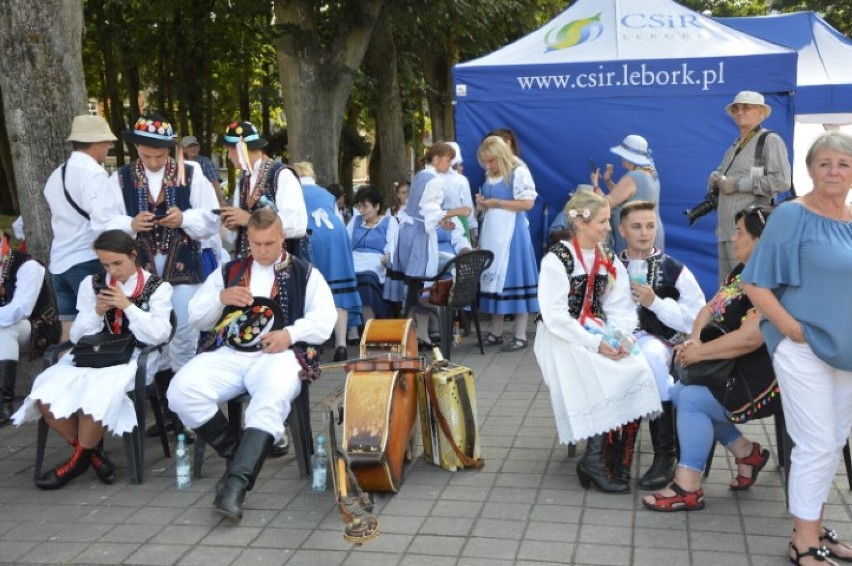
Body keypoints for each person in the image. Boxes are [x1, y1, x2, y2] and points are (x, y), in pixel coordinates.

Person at [167, 208, 336, 522]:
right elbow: (195, 316)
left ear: (282, 237)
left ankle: (236, 486)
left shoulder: (304, 272)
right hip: (230, 353)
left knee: (272, 396)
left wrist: (290, 334)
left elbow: (325, 319)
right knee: (180, 391)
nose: (262, 250)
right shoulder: (229, 271)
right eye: (256, 244)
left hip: (278, 355)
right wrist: (220, 296)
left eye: (269, 243)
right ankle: (238, 457)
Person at [741, 131, 852, 565]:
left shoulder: (849, 220)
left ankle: (814, 528)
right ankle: (803, 543)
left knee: (833, 439)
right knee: (818, 442)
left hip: (845, 352)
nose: (834, 171)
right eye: (825, 163)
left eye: (843, 164)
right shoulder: (791, 214)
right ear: (810, 169)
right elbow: (755, 281)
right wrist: (791, 329)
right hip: (803, 348)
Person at [11, 230, 174, 489]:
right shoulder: (92, 283)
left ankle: (75, 464)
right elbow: (76, 335)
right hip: (94, 353)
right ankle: (91, 456)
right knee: (44, 395)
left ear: (133, 255)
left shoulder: (158, 287)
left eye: (117, 263)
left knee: (95, 394)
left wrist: (128, 306)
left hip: (134, 357)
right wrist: (97, 313)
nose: (113, 270)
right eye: (106, 264)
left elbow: (159, 335)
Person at [642, 206, 774, 513]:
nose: (733, 237)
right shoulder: (741, 272)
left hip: (765, 376)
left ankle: (688, 486)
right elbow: (707, 310)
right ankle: (746, 453)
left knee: (691, 399)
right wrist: (694, 340)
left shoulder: (770, 281)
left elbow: (751, 339)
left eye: (740, 232)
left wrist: (699, 354)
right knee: (678, 391)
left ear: (761, 240)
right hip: (733, 366)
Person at [534, 191, 661, 493]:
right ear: (581, 221)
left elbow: (620, 306)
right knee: (605, 370)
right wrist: (595, 344)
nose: (608, 227)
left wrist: (620, 336)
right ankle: (594, 459)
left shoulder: (607, 256)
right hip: (560, 335)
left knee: (638, 367)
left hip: (597, 328)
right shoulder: (557, 259)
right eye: (603, 221)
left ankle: (618, 458)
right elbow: (554, 315)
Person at [105, 113, 219, 436]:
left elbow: (211, 220)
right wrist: (130, 224)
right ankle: (168, 411)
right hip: (141, 274)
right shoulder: (121, 179)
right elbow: (100, 223)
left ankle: (186, 411)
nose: (153, 161)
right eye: (146, 155)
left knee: (183, 334)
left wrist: (183, 218)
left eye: (159, 155)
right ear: (136, 149)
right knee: (152, 339)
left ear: (170, 150)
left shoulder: (192, 172)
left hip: (183, 268)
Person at [615, 201, 705, 490]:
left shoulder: (674, 270)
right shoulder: (611, 267)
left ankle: (665, 453)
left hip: (659, 340)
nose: (644, 233)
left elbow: (694, 320)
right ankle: (609, 450)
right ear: (622, 230)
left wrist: (656, 303)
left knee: (651, 357)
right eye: (637, 226)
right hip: (615, 340)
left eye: (650, 226)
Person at [43, 114, 118, 341]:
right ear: (96, 143)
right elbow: (101, 222)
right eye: (107, 142)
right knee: (98, 330)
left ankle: (60, 375)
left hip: (59, 264)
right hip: (87, 261)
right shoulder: (93, 174)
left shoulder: (56, 175)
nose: (109, 146)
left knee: (68, 331)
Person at [711, 90, 791, 283]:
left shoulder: (770, 140)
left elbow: (782, 181)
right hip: (726, 231)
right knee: (727, 292)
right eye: (737, 108)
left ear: (761, 113)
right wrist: (715, 178)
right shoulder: (735, 145)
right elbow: (725, 177)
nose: (740, 112)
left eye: (747, 107)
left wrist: (738, 184)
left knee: (748, 290)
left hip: (749, 232)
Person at [292, 161, 362, 361]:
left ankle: (315, 344)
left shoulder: (292, 191)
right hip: (337, 237)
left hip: (310, 236)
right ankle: (341, 345)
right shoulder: (327, 194)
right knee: (339, 289)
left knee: (310, 289)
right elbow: (338, 219)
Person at [384, 143, 468, 309]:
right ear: (436, 159)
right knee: (417, 281)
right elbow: (430, 210)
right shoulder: (434, 180)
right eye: (448, 159)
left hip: (409, 230)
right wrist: (457, 211)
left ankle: (414, 326)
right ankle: (414, 326)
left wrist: (442, 221)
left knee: (411, 280)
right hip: (418, 234)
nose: (450, 163)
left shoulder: (421, 175)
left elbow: (424, 210)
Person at [476, 136, 539, 352]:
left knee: (514, 278)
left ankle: (520, 334)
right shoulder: (490, 175)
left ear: (501, 156)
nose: (488, 165)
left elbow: (528, 203)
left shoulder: (518, 172)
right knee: (495, 281)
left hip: (512, 235)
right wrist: (483, 205)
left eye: (491, 160)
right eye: (485, 161)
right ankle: (496, 331)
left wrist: (497, 203)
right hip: (493, 233)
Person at [218, 121, 308, 260]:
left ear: (240, 149)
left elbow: (297, 225)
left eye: (229, 151)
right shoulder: (243, 182)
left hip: (281, 271)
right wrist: (233, 226)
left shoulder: (282, 175)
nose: (229, 156)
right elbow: (239, 238)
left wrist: (250, 219)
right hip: (249, 269)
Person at [0, 232, 55, 427]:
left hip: (36, 326)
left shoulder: (27, 266)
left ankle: (3, 403)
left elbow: (21, 310)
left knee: (4, 329)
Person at [593, 134, 664, 254]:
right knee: (653, 270)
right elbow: (628, 196)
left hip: (637, 235)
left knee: (635, 271)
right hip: (651, 231)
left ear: (628, 157)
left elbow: (605, 204)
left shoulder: (632, 177)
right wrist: (608, 181)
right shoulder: (651, 175)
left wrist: (595, 184)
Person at [347, 185, 398, 340]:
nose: (361, 211)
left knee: (366, 278)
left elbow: (392, 245)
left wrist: (388, 256)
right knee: (345, 279)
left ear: (376, 206)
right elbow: (345, 242)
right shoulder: (355, 221)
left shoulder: (389, 222)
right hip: (354, 260)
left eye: (365, 206)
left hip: (375, 262)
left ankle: (369, 327)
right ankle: (352, 327)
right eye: (360, 206)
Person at [445, 142, 478, 245]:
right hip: (459, 223)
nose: (462, 168)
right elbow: (468, 208)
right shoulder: (460, 180)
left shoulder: (431, 178)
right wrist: (474, 233)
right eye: (460, 165)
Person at [181, 135, 225, 206]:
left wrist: (220, 201)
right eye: (190, 146)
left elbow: (215, 181)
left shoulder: (205, 161)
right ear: (183, 149)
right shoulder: (181, 165)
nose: (193, 148)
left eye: (195, 146)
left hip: (205, 202)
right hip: (186, 202)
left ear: (199, 147)